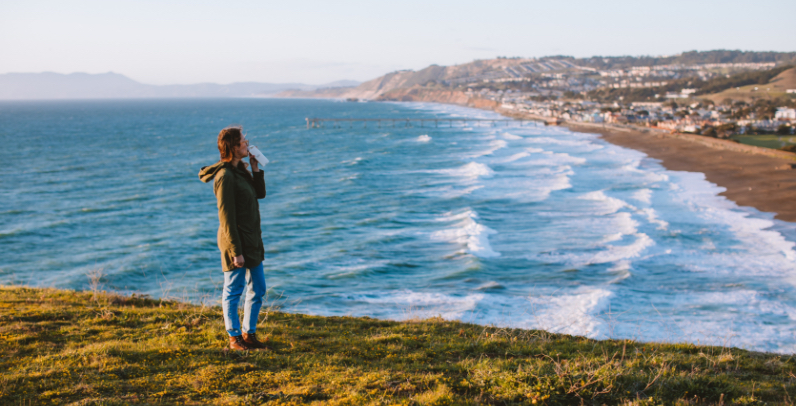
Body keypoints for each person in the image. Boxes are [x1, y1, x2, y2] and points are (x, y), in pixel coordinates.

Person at [199, 126, 268, 351]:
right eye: (243, 141)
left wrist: (256, 168)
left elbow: (260, 194)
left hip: (251, 239)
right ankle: (234, 337)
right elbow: (226, 217)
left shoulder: (240, 170)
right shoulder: (225, 176)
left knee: (258, 288)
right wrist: (235, 251)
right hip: (235, 242)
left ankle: (249, 334)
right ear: (234, 147)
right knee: (233, 289)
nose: (247, 143)